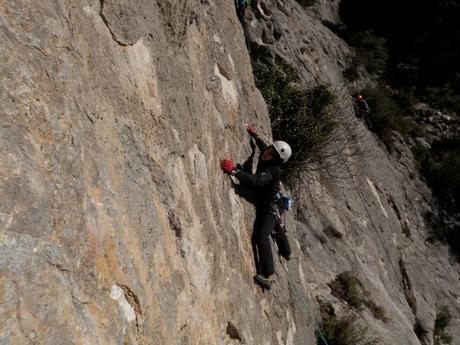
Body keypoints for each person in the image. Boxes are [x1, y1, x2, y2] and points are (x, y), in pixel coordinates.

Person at [220, 125, 292, 290]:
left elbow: (254, 181)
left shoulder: (272, 171)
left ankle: (267, 276)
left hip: (270, 208)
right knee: (278, 230)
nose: (267, 152)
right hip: (275, 203)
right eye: (269, 149)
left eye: (272, 153)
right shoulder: (268, 155)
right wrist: (255, 136)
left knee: (261, 236)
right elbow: (262, 147)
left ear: (277, 160)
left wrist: (234, 171)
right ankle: (286, 252)